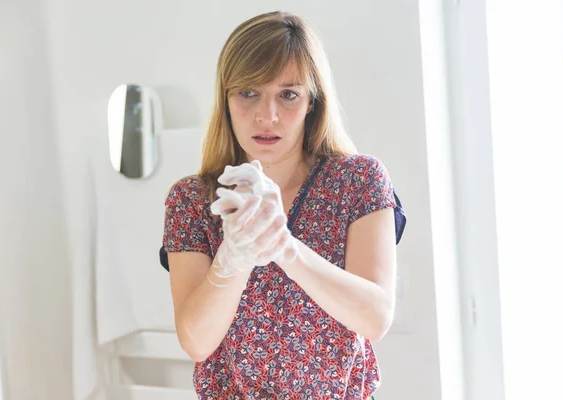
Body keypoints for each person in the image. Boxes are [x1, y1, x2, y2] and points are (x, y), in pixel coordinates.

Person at [161, 10, 407, 399]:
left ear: (312, 102)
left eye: (288, 95)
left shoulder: (358, 181)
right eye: (248, 93)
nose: (267, 116)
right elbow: (196, 342)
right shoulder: (192, 201)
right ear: (225, 98)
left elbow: (375, 317)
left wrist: (284, 247)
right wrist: (233, 259)